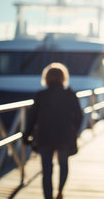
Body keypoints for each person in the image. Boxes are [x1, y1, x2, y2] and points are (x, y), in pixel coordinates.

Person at [23, 62, 83, 199]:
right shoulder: (70, 94)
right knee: (63, 164)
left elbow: (32, 118)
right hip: (65, 136)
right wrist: (74, 131)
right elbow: (79, 116)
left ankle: (48, 197)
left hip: (45, 137)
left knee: (47, 170)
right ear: (63, 77)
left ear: (47, 78)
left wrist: (26, 136)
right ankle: (60, 191)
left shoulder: (40, 95)